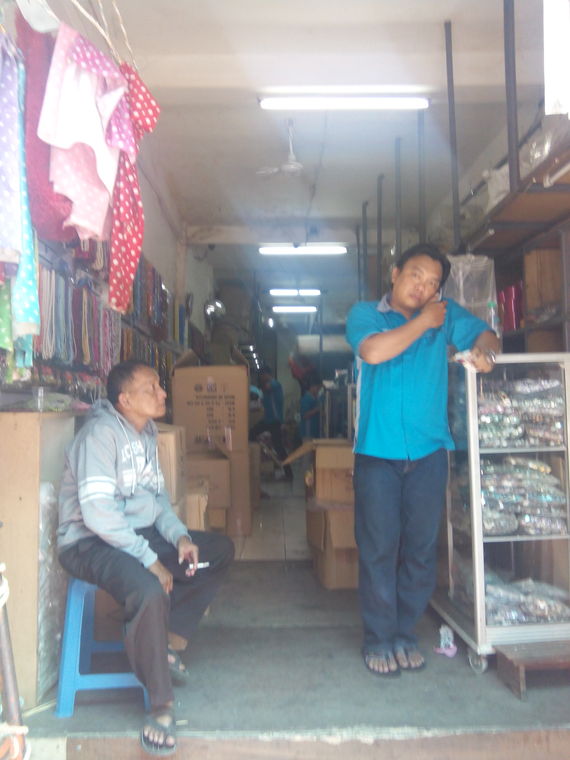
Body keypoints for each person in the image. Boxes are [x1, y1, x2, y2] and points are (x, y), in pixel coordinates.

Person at [57, 360, 234, 756]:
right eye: (151, 388)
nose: (162, 393)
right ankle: (160, 706)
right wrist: (149, 559)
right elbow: (98, 514)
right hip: (89, 541)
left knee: (217, 552)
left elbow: (157, 502)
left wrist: (180, 537)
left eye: (159, 385)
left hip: (134, 534)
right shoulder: (99, 436)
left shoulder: (147, 432)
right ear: (124, 400)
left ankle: (165, 643)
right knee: (150, 587)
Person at [345, 243, 499, 678]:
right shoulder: (366, 314)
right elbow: (373, 352)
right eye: (416, 275)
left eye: (433, 283)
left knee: (420, 549)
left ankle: (404, 633)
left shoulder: (445, 315)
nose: (424, 287)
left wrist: (487, 354)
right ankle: (378, 638)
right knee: (379, 549)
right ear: (395, 273)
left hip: (429, 453)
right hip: (377, 455)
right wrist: (424, 322)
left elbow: (486, 334)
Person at [249, 365, 293, 480]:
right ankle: (260, 452)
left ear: (267, 374)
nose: (261, 377)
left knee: (279, 447)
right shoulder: (268, 388)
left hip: (274, 421)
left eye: (262, 375)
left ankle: (289, 474)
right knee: (251, 434)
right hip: (268, 420)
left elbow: (266, 387)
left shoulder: (275, 384)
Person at [299, 373, 323, 440]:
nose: (318, 390)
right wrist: (316, 410)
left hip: (315, 433)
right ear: (312, 386)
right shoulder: (306, 398)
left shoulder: (317, 398)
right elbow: (305, 415)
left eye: (319, 389)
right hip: (308, 433)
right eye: (318, 388)